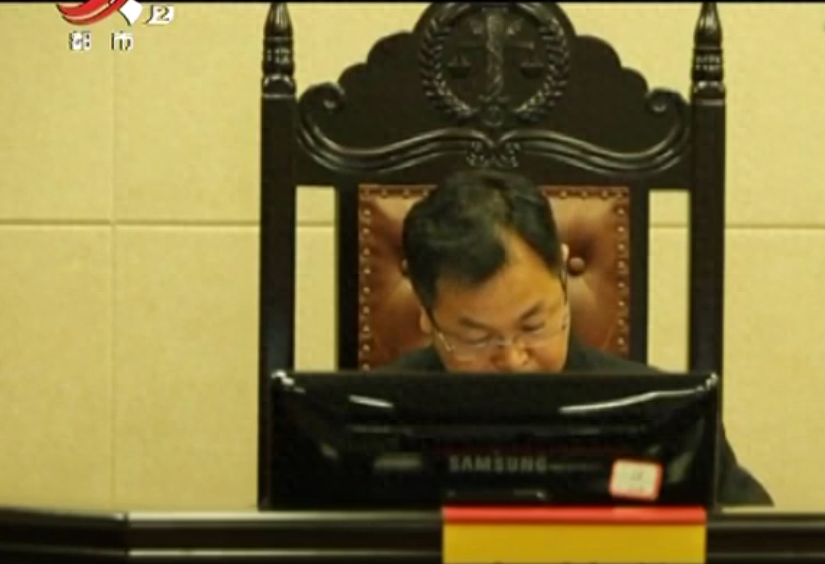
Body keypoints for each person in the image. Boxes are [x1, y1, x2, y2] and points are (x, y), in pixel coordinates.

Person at [379, 168, 773, 507]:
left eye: (533, 326)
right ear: (426, 315)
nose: (513, 359)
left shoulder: (665, 419)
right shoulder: (376, 422)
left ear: (564, 277)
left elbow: (750, 536)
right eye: (477, 339)